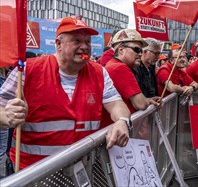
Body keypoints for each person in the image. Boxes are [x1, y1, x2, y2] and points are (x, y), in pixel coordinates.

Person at [0, 17, 131, 169]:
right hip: (33, 173)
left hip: (81, 171)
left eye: (88, 42)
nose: (84, 47)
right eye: (77, 41)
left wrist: (122, 121)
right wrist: (8, 117)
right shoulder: (28, 70)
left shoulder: (99, 72)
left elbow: (116, 104)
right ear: (58, 44)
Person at [105, 29, 159, 114]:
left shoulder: (113, 65)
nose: (141, 54)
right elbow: (140, 104)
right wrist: (146, 101)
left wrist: (148, 100)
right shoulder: (120, 68)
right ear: (121, 50)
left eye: (141, 50)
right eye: (137, 49)